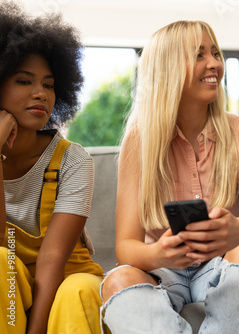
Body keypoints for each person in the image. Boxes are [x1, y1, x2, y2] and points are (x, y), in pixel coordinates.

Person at [100, 20, 239, 333]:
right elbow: (126, 248)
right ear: (168, 68)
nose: (214, 63)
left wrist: (238, 229)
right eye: (198, 55)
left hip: (225, 265)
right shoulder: (139, 139)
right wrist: (158, 253)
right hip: (164, 270)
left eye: (215, 53)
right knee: (118, 280)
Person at [0, 2, 104, 334]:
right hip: (10, 286)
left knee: (78, 292)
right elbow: (1, 240)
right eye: (23, 81)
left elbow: (52, 259)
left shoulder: (73, 160)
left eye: (48, 84)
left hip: (66, 283)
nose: (40, 94)